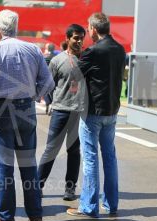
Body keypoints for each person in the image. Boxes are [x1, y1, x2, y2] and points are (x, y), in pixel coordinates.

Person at [0, 9, 54, 221]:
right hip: (27, 109)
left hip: (1, 111)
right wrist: (34, 94)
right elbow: (48, 82)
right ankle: (35, 216)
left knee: (4, 167)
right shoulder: (33, 49)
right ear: (16, 27)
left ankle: (6, 217)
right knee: (28, 165)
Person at [67, 12, 125, 218]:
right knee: (110, 158)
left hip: (93, 112)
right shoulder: (120, 49)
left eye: (88, 28)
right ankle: (111, 205)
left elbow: (74, 76)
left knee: (90, 158)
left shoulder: (92, 50)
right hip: (112, 110)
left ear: (93, 28)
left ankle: (89, 206)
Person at [38, 24, 88, 201]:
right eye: (76, 37)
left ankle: (70, 188)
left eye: (82, 37)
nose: (79, 40)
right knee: (51, 150)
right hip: (60, 111)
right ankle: (37, 186)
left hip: (79, 113)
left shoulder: (86, 59)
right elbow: (48, 85)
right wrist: (53, 102)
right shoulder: (57, 61)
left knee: (74, 151)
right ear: (67, 39)